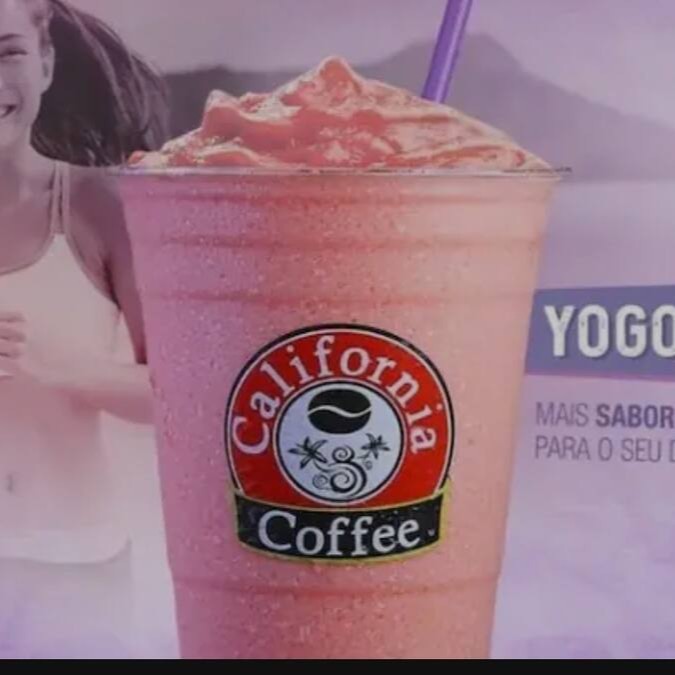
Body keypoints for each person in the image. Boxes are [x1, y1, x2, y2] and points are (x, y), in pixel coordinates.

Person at [0, 0, 169, 658]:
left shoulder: (99, 206)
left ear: (45, 63)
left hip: (69, 570)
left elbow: (184, 398)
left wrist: (61, 366)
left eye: (7, 53)